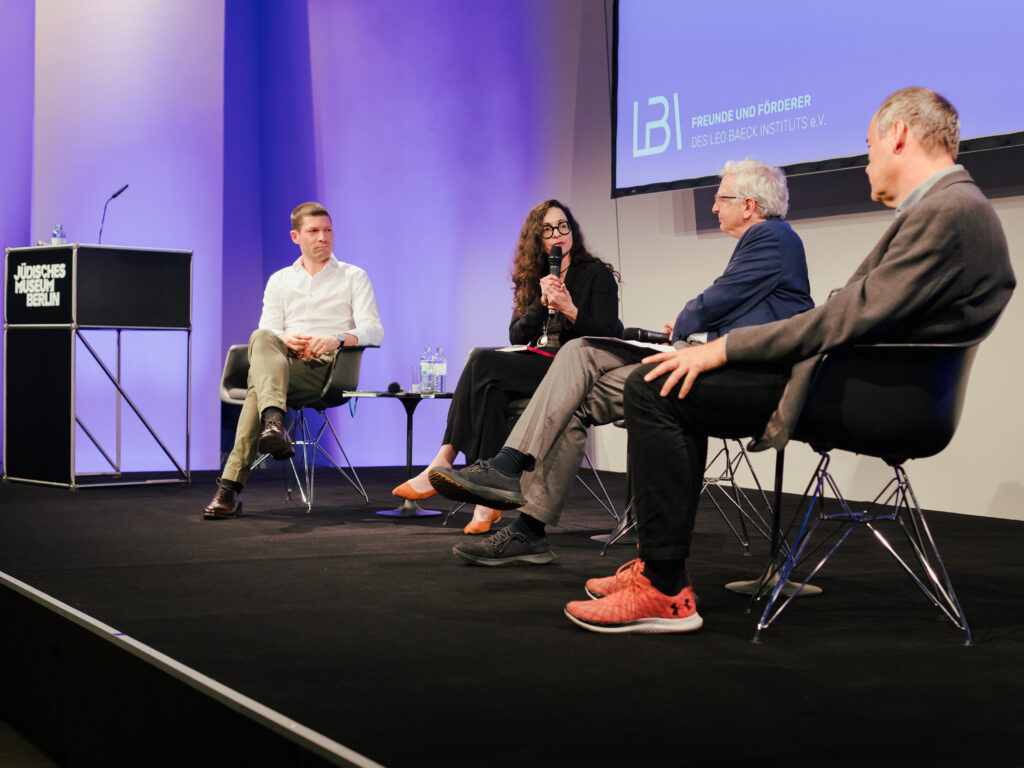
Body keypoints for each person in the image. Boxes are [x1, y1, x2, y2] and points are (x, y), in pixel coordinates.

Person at [559, 87, 1015, 633]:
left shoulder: (950, 211)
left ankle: (662, 587)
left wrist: (723, 349)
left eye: (868, 145)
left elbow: (843, 318)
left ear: (898, 136)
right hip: (878, 387)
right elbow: (852, 312)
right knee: (670, 381)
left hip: (877, 398)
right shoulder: (956, 208)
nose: (865, 160)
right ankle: (659, 568)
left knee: (654, 386)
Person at [429, 159, 814, 564]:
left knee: (580, 353)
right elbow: (734, 301)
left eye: (721, 198)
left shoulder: (773, 236)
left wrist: (683, 322)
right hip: (704, 359)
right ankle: (527, 527)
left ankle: (508, 471)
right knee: (572, 394)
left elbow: (720, 297)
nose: (715, 207)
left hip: (741, 373)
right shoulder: (764, 241)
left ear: (749, 205)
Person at [392, 199, 622, 533]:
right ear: (537, 238)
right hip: (538, 361)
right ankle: (487, 504)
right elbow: (517, 334)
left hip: (573, 368)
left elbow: (610, 335)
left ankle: (444, 459)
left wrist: (571, 310)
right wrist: (542, 304)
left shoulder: (595, 274)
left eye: (563, 226)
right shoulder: (535, 277)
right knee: (490, 387)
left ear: (572, 231)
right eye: (547, 229)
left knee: (481, 360)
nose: (557, 235)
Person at [203, 202, 384, 519]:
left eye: (328, 230)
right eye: (313, 231)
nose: (323, 238)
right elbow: (269, 329)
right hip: (282, 363)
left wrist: (336, 337)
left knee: (259, 389)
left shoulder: (354, 277)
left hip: (327, 370)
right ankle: (273, 425)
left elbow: (374, 330)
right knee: (261, 336)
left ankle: (233, 484)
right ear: (295, 236)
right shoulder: (280, 280)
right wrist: (284, 339)